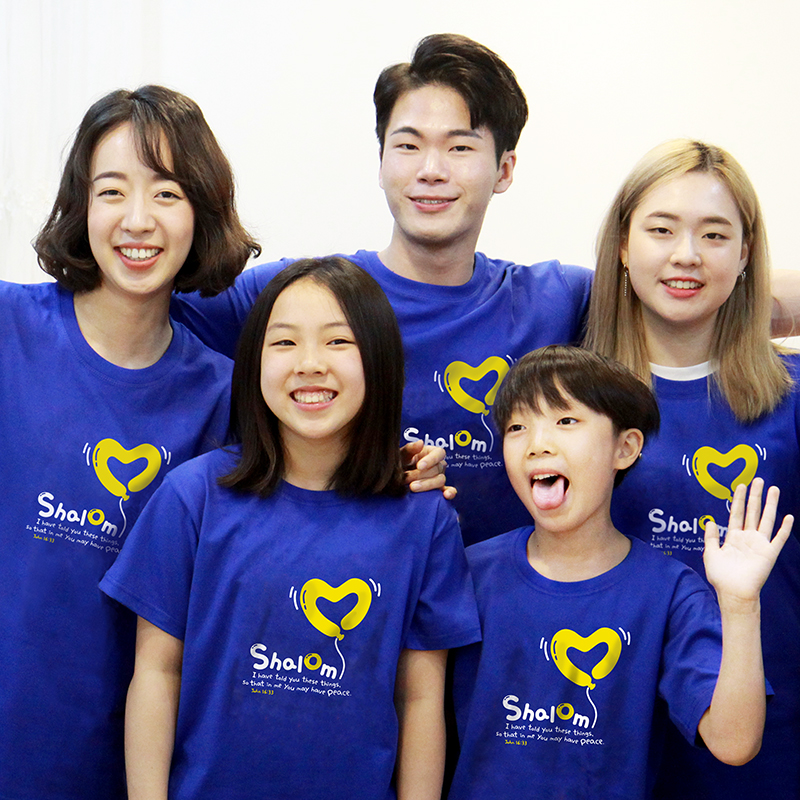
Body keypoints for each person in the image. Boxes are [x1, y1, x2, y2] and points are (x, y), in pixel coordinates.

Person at [170, 33, 594, 547]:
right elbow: (140, 310)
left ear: (504, 170)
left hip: (506, 593)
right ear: (381, 161)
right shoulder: (298, 299)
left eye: (460, 147)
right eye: (408, 146)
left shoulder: (556, 300)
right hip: (345, 585)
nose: (431, 171)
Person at [100, 257, 481, 800]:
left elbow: (420, 699)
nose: (310, 364)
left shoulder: (424, 519)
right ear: (253, 360)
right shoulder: (194, 496)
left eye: (338, 342)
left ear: (379, 359)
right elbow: (158, 673)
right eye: (284, 342)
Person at [0, 85, 259, 799]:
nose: (137, 220)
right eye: (111, 191)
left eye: (167, 193)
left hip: (132, 760)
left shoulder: (227, 396)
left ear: (202, 212)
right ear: (80, 206)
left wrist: (401, 472)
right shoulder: (11, 329)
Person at [448, 345, 791, 799]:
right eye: (517, 427)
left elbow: (734, 743)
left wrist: (741, 605)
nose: (538, 444)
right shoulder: (468, 574)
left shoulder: (669, 593)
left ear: (625, 448)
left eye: (565, 421)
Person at [584, 139, 800, 799]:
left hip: (765, 739)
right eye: (661, 230)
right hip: (602, 728)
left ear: (746, 253)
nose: (687, 255)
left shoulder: (791, 397)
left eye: (714, 234)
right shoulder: (570, 397)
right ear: (624, 246)